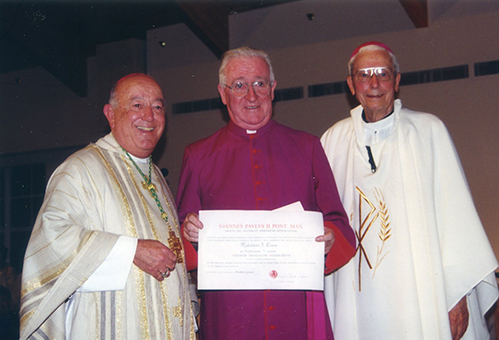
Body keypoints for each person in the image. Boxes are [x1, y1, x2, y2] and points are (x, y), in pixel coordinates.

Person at [320, 41, 499, 340]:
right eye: (364, 75)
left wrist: (458, 296)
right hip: (354, 299)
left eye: (383, 73)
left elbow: (457, 224)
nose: (374, 83)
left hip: (420, 295)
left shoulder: (428, 132)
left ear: (397, 81)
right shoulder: (332, 141)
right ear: (351, 84)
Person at [176, 46, 356, 340]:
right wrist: (190, 231)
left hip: (295, 305)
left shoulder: (307, 147)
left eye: (259, 83)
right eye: (239, 85)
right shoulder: (198, 155)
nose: (251, 95)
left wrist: (329, 237)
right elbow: (182, 235)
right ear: (223, 94)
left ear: (273, 89)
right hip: (231, 311)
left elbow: (339, 223)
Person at [20, 74, 197, 340]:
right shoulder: (80, 169)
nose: (149, 116)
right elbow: (52, 239)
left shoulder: (155, 175)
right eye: (137, 105)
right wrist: (130, 250)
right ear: (110, 114)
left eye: (158, 107)